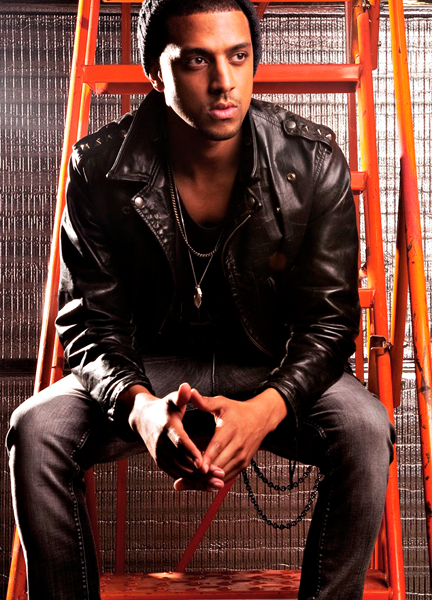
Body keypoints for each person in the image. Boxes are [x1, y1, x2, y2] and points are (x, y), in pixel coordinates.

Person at [7, 0, 395, 598]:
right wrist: (140, 407)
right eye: (196, 61)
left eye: (238, 57)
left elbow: (329, 323)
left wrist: (267, 408)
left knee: (367, 428)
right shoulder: (99, 166)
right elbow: (90, 322)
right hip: (149, 369)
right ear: (154, 73)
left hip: (270, 364)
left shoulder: (311, 161)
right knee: (36, 430)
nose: (224, 82)